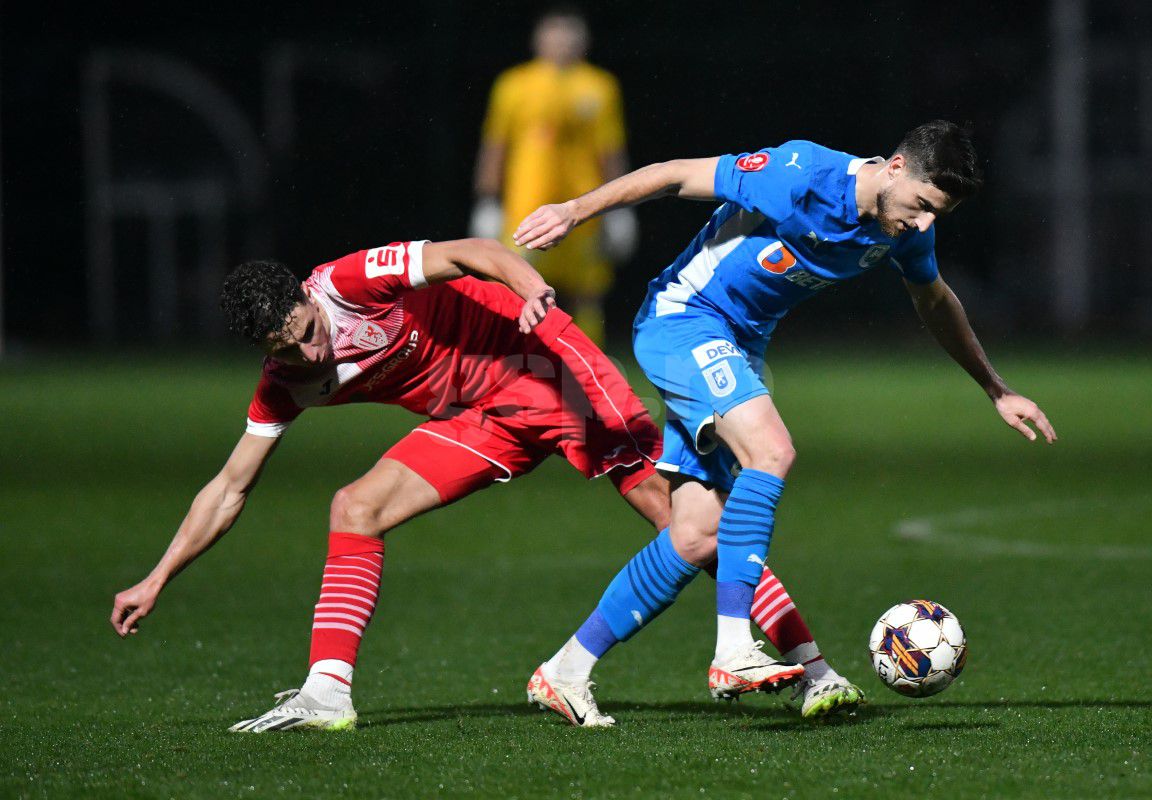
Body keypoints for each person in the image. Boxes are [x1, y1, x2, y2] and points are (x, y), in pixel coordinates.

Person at [109, 235, 849, 731]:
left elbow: (476, 251)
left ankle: (810, 667)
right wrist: (158, 576)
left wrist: (530, 290)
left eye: (308, 327)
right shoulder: (287, 383)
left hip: (543, 364)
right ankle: (327, 691)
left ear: (308, 296)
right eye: (290, 346)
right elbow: (229, 488)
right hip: (485, 415)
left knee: (686, 520)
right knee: (355, 507)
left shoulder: (347, 282)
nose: (313, 346)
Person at [515, 120, 1057, 720]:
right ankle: (734, 650)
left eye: (939, 215)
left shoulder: (902, 229)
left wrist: (995, 388)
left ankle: (567, 670)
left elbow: (934, 300)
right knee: (770, 450)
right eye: (924, 206)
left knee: (695, 535)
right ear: (896, 167)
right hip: (683, 320)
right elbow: (675, 174)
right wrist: (574, 209)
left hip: (737, 347)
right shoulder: (800, 174)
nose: (925, 223)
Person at [472, 6, 636, 346]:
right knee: (514, 286)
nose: (563, 41)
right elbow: (495, 146)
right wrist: (487, 201)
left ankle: (586, 364)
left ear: (584, 40)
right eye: (554, 32)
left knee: (585, 291)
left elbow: (610, 151)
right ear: (538, 39)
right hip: (524, 205)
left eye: (570, 33)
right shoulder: (514, 84)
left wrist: (621, 209)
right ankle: (513, 363)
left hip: (582, 208)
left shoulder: (600, 86)